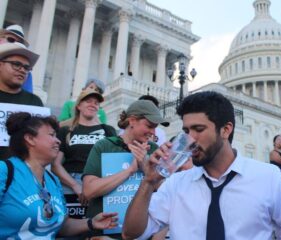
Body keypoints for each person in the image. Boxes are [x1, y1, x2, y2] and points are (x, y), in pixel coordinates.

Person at [122, 91, 281, 240]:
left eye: (199, 129)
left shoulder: (267, 177)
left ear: (226, 130)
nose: (191, 139)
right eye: (186, 131)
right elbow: (131, 233)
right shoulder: (176, 184)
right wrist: (148, 182)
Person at [0, 112, 118, 239]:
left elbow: (62, 226)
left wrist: (91, 223)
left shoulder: (53, 180)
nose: (58, 141)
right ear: (30, 139)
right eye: (51, 135)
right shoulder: (4, 170)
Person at [82, 99, 169, 238]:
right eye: (149, 125)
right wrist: (130, 170)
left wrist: (145, 167)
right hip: (104, 232)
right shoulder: (104, 146)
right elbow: (88, 191)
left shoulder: (153, 149)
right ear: (132, 121)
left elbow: (165, 191)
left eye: (155, 127)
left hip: (141, 233)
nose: (153, 132)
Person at [51, 88, 116, 217]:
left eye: (96, 103)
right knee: (69, 227)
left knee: (98, 225)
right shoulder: (65, 131)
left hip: (100, 182)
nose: (93, 104)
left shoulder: (108, 130)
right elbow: (55, 165)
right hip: (70, 184)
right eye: (88, 101)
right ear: (79, 105)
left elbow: (113, 162)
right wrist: (76, 186)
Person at [0, 42, 43, 159]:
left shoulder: (35, 102)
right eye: (16, 64)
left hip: (21, 171)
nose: (22, 70)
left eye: (26, 67)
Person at [0, 24, 33, 92]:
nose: (15, 44)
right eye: (11, 39)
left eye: (19, 42)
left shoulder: (25, 72)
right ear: (0, 39)